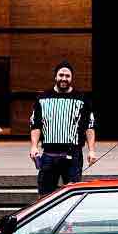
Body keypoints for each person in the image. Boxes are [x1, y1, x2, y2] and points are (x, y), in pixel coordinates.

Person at [29, 61, 97, 197]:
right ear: (55, 77)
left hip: (73, 156)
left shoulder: (82, 99)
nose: (64, 78)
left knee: (72, 196)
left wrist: (91, 150)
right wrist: (34, 146)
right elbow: (36, 125)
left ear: (72, 78)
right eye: (61, 75)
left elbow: (89, 126)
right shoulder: (43, 98)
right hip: (48, 155)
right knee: (45, 196)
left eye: (67, 76)